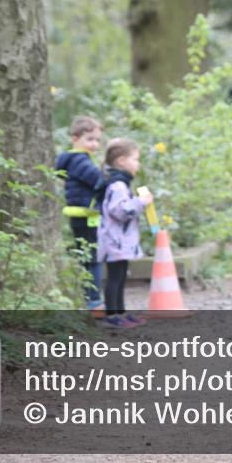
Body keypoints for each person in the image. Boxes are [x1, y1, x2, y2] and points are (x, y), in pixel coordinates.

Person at [95, 138, 153, 329]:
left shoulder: (121, 184)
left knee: (120, 277)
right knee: (114, 278)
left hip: (121, 242)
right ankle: (112, 315)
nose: (138, 164)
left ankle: (121, 312)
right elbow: (119, 211)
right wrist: (140, 202)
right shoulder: (117, 185)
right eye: (135, 159)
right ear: (121, 161)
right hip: (115, 242)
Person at [55, 116, 106, 312]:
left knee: (87, 257)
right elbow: (99, 181)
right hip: (86, 216)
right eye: (90, 139)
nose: (95, 144)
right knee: (93, 258)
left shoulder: (73, 160)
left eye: (98, 140)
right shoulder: (80, 161)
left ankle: (90, 298)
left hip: (81, 216)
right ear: (75, 138)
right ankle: (94, 301)